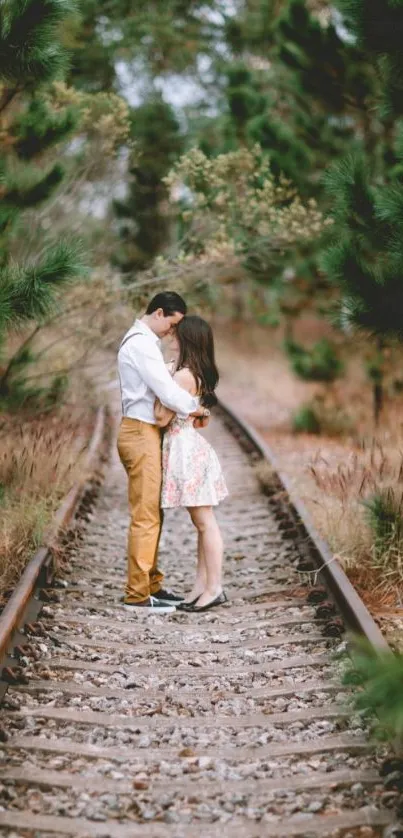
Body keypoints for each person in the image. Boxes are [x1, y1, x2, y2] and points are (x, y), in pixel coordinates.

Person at [117, 292, 209, 614]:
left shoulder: (144, 343)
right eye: (173, 324)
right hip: (140, 433)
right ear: (159, 313)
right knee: (145, 516)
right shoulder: (141, 344)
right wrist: (195, 408)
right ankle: (138, 595)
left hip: (145, 433)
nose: (173, 332)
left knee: (154, 512)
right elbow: (167, 392)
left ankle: (151, 584)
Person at [155, 315, 228, 612]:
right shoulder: (187, 371)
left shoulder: (183, 375)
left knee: (204, 522)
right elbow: (197, 415)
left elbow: (161, 417)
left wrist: (162, 391)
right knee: (201, 523)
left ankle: (215, 587)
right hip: (189, 447)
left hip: (186, 450)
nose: (171, 336)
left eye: (177, 333)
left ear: (187, 339)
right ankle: (201, 586)